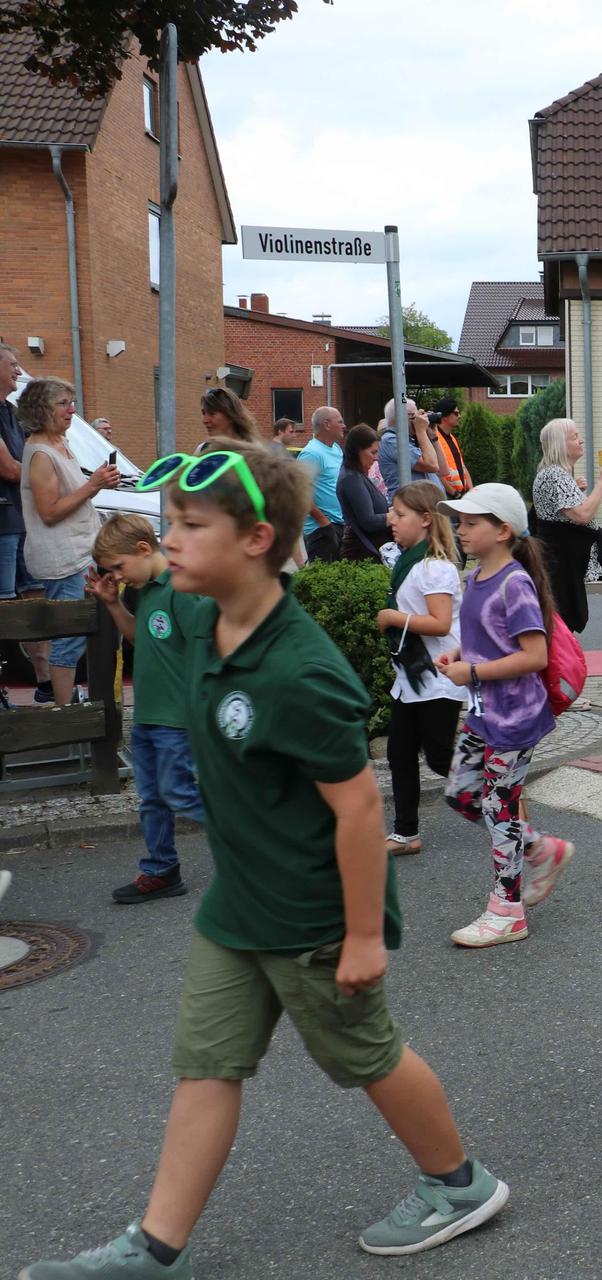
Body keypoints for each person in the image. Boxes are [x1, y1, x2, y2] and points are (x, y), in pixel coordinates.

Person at [21, 444, 509, 1276]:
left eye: (190, 525)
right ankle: (155, 1249)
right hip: (238, 905)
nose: (171, 539)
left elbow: (358, 808)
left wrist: (364, 936)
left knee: (368, 1057)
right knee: (207, 1065)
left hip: (312, 914)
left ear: (255, 541)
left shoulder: (300, 670)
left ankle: (460, 1185)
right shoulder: (205, 618)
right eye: (170, 523)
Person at [434, 483, 572, 948]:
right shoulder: (474, 578)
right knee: (461, 795)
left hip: (515, 718)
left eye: (471, 522)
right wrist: (460, 654)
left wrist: (471, 670)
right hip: (483, 712)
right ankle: (540, 849)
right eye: (459, 521)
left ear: (503, 531)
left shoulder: (515, 584)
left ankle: (507, 911)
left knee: (498, 807)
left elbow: (535, 655)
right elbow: (489, 638)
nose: (460, 529)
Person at [86, 513, 209, 903]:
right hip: (149, 716)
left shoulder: (181, 588)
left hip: (178, 717)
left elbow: (206, 649)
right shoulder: (147, 590)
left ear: (143, 549)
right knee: (153, 799)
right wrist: (113, 604)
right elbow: (143, 638)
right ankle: (161, 870)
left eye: (118, 567)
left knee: (179, 794)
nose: (117, 576)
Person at [374, 483, 467, 858]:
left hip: (439, 677)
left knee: (439, 756)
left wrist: (393, 617)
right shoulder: (410, 562)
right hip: (412, 677)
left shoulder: (434, 568)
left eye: (400, 514)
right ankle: (405, 833)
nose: (390, 520)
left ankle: (497, 792)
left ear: (426, 520)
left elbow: (441, 623)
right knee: (399, 753)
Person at [20, 377, 118, 706]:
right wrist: (93, 486)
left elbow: (70, 495)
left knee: (80, 634)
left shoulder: (60, 443)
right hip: (63, 560)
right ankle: (65, 716)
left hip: (79, 552)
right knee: (70, 639)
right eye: (63, 403)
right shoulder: (40, 453)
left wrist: (98, 482)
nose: (72, 409)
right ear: (41, 409)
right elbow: (49, 512)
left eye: (71, 402)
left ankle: (72, 708)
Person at [0, 343, 54, 705]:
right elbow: (8, 468)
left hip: (24, 522)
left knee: (35, 603)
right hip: (3, 524)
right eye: (13, 365)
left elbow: (32, 458)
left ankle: (46, 683)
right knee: (4, 607)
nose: (19, 372)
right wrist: (51, 477)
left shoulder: (12, 412)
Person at [530, 418, 602, 634]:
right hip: (559, 566)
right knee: (560, 626)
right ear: (560, 444)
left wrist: (575, 490)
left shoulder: (553, 473)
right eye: (575, 437)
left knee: (558, 625)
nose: (581, 440)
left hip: (559, 562)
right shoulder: (555, 474)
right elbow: (582, 515)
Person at [336, 424, 391, 561]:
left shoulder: (356, 475)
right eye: (373, 452)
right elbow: (368, 521)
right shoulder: (351, 478)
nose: (376, 458)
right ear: (357, 451)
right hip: (362, 553)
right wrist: (395, 516)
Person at [299, 406, 347, 560]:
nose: (344, 426)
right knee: (326, 573)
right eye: (340, 422)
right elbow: (300, 493)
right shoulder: (311, 453)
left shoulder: (336, 449)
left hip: (339, 525)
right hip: (321, 530)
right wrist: (323, 521)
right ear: (327, 424)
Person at [377, 398, 442, 495]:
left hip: (425, 503)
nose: (419, 420)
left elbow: (443, 471)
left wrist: (434, 437)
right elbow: (432, 465)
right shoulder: (390, 441)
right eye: (414, 416)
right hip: (409, 503)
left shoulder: (410, 440)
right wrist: (421, 431)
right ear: (401, 417)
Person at [431, 398, 473, 497]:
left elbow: (462, 466)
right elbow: (435, 472)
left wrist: (471, 492)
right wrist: (454, 493)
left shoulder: (452, 438)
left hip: (460, 494)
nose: (459, 416)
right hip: (447, 495)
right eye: (456, 413)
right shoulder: (433, 438)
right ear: (445, 416)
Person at [197, 387, 256, 452]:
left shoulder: (253, 454)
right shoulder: (202, 450)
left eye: (212, 413)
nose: (205, 421)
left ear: (231, 415)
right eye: (204, 413)